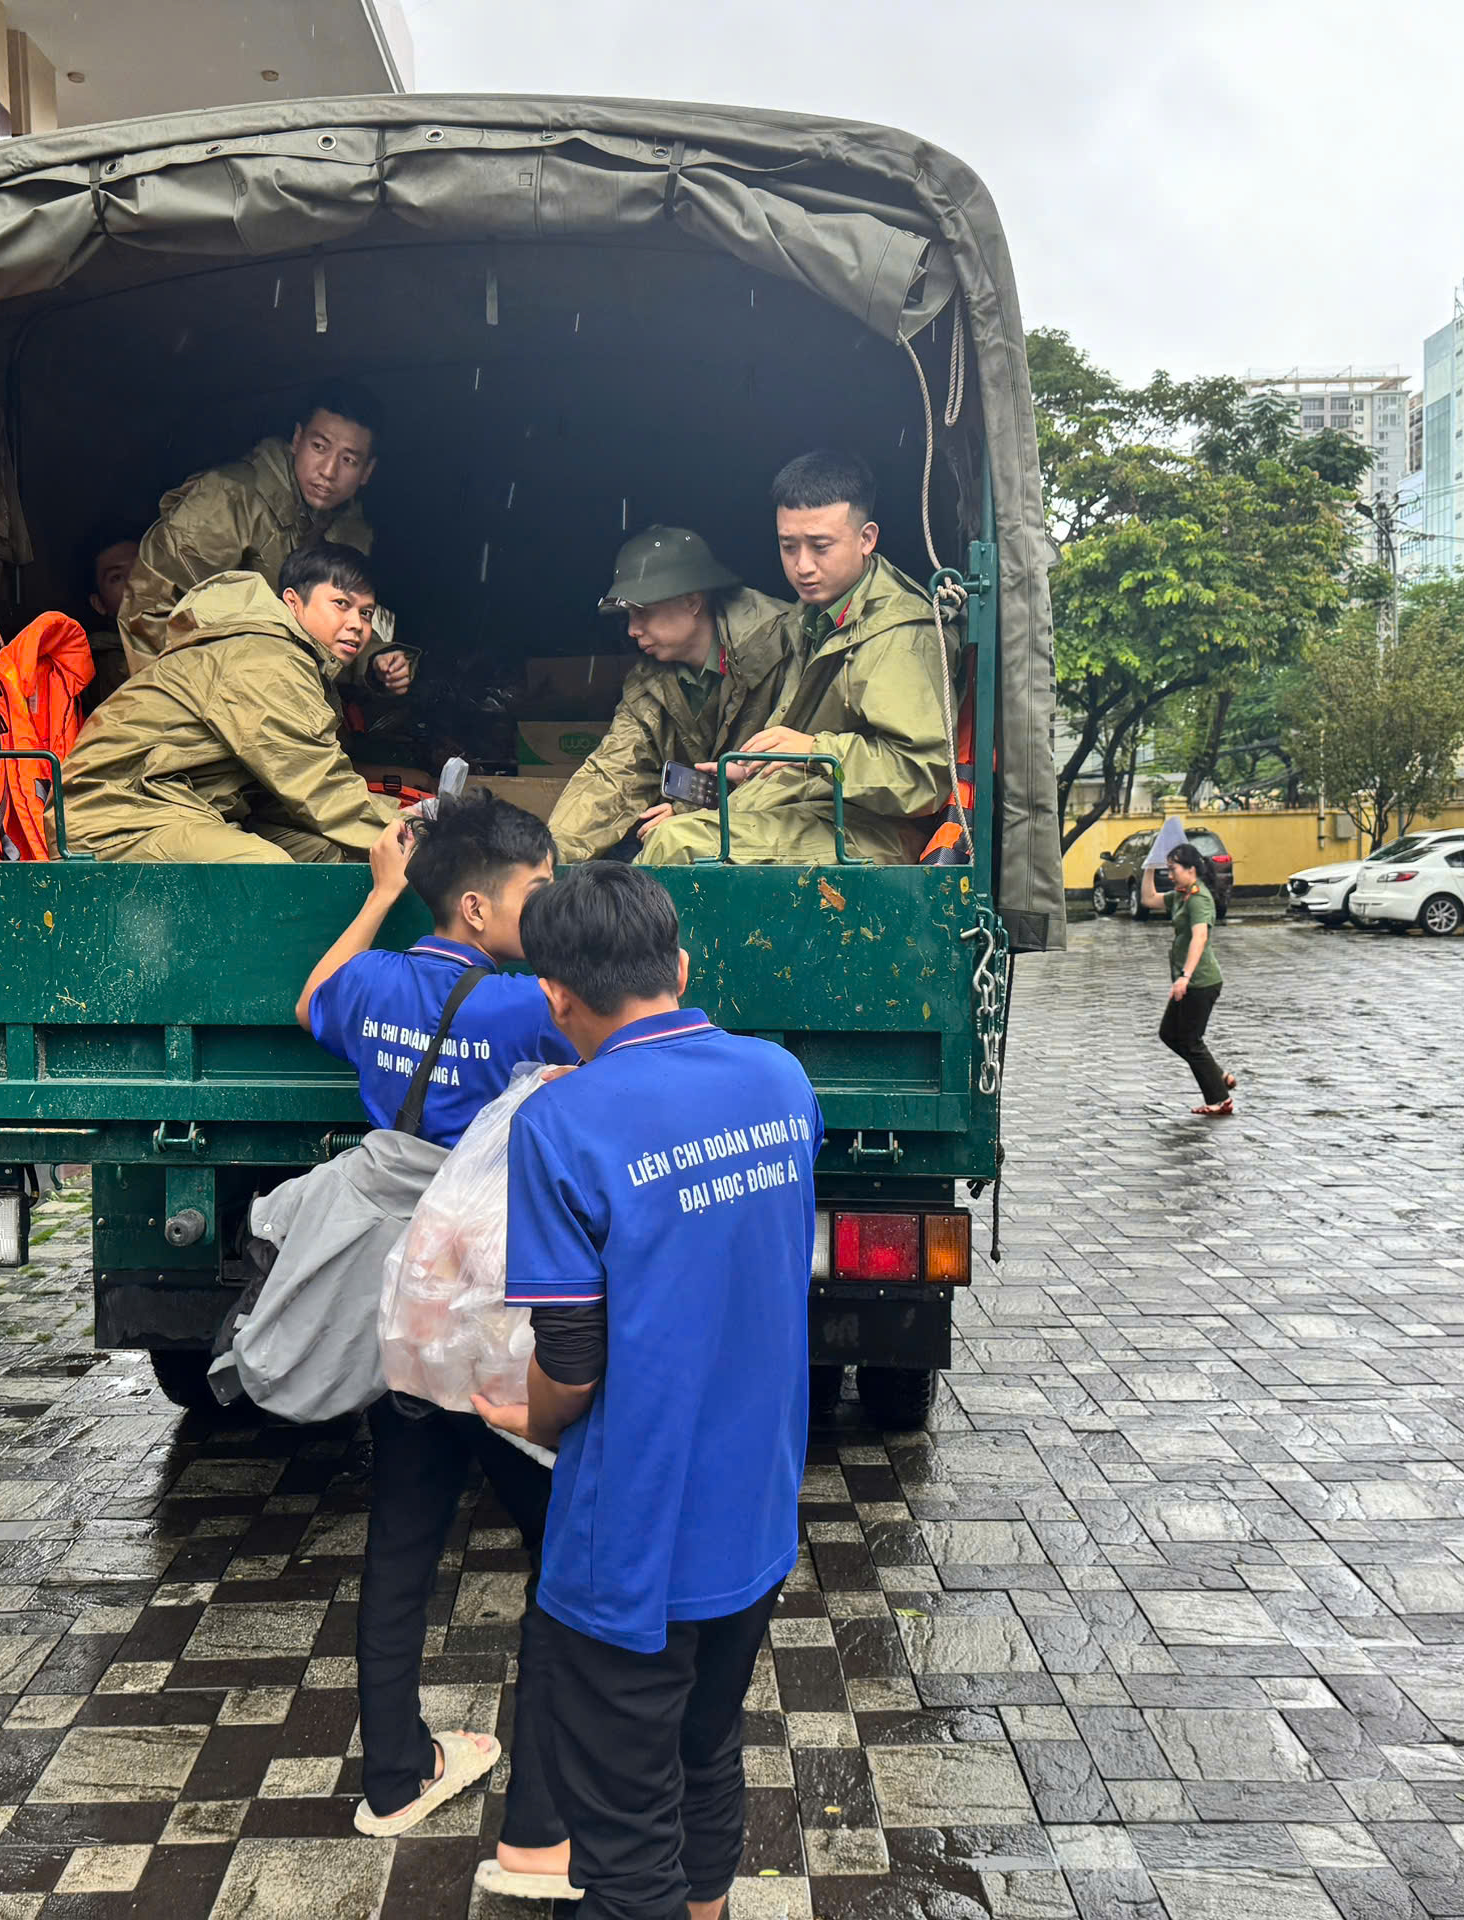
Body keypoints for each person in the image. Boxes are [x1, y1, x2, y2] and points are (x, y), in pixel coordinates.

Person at [474, 865, 820, 1920]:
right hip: (755, 1514)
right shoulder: (780, 1081)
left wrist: (521, 1417)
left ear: (554, 995)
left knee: (623, 1828)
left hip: (632, 1538)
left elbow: (571, 1360)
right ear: (679, 965)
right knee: (707, 1752)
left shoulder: (564, 1121)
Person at [293, 795, 582, 1898]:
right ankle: (549, 1815)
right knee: (564, 1539)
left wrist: (374, 893)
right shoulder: (524, 1009)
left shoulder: (367, 988)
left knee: (403, 1535)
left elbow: (312, 996)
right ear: (476, 907)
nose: (549, 909)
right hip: (494, 1300)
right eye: (536, 894)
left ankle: (395, 1774)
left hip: (406, 1293)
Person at [639, 450, 952, 868]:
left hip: (878, 833)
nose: (803, 566)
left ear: (867, 538)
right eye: (789, 546)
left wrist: (811, 752)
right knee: (666, 831)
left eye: (820, 546)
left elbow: (922, 775)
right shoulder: (815, 617)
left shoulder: (899, 635)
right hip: (819, 808)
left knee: (674, 847)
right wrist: (752, 770)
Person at [63, 543, 395, 864]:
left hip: (184, 808)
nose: (357, 624)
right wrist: (425, 835)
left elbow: (287, 796)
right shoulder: (265, 659)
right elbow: (319, 787)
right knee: (264, 869)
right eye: (341, 603)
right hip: (116, 814)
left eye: (366, 613)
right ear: (293, 602)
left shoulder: (294, 660)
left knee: (328, 854)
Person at [116, 375, 415, 697]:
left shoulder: (351, 534)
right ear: (297, 440)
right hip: (196, 695)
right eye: (319, 447)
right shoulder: (228, 500)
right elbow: (151, 614)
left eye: (348, 460)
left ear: (366, 472)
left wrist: (375, 659)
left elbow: (329, 628)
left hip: (275, 700)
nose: (328, 472)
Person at [546, 527, 795, 864]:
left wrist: (694, 812)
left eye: (642, 611)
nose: (632, 629)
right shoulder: (650, 679)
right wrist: (549, 860)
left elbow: (805, 768)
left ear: (693, 601)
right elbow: (614, 772)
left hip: (785, 836)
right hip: (710, 833)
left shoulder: (783, 643)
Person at [1143, 841, 1235, 1117]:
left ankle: (1220, 1099)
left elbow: (1200, 937)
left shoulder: (1199, 898)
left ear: (1191, 870)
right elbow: (1149, 899)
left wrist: (1185, 976)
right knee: (1170, 1033)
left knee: (1191, 1040)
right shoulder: (1181, 896)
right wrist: (1149, 868)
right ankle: (1218, 1076)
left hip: (1200, 981)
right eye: (1168, 868)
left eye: (1173, 869)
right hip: (1190, 982)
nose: (1170, 874)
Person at [77, 539, 138, 716]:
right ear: (99, 604)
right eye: (116, 577)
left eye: (140, 569)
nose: (133, 583)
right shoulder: (104, 668)